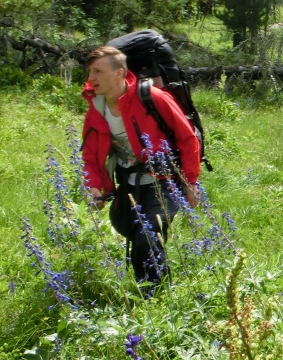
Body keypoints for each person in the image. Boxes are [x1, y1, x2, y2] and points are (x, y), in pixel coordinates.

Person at [81, 45, 201, 288]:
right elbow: (90, 155)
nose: (91, 78)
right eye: (90, 71)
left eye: (98, 71)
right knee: (129, 229)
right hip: (127, 183)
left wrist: (190, 183)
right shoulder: (97, 108)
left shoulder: (152, 97)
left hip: (164, 181)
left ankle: (154, 294)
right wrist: (94, 187)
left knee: (148, 236)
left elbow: (187, 139)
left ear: (119, 72)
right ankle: (153, 289)